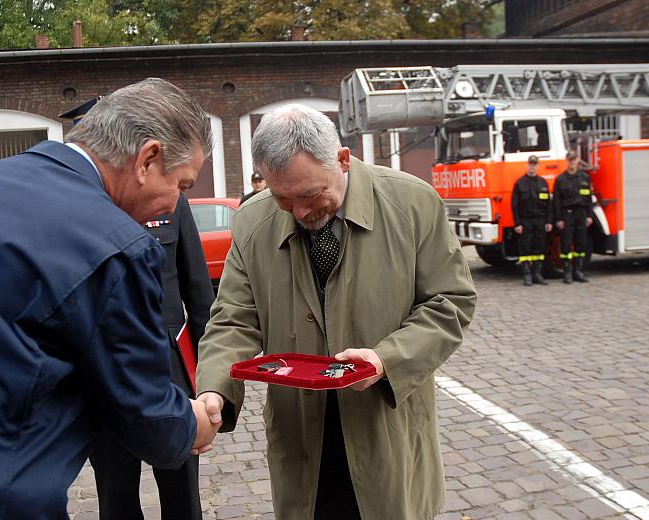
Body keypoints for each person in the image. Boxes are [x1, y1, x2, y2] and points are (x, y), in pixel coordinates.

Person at [0, 78, 221, 519]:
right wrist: (193, 423)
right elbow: (144, 411)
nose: (176, 202)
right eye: (182, 185)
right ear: (148, 159)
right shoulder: (114, 244)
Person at [195, 105, 477, 520]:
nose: (299, 212)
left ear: (343, 160)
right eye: (282, 198)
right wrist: (214, 390)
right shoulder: (253, 221)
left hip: (385, 423)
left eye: (309, 194)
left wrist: (385, 359)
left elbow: (449, 301)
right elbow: (233, 317)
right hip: (300, 436)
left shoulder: (413, 203)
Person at [90, 192, 214, 520]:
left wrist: (209, 380)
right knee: (115, 497)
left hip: (170, 376)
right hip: (105, 375)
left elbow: (199, 293)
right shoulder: (85, 198)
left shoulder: (173, 198)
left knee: (182, 495)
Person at [511, 155, 553, 286]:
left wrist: (549, 221)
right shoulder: (520, 183)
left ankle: (537, 274)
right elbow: (515, 205)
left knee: (539, 247)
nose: (532, 166)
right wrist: (517, 223)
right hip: (526, 221)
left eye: (534, 164)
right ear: (526, 165)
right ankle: (527, 275)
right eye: (530, 164)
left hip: (540, 220)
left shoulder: (543, 182)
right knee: (526, 248)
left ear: (538, 166)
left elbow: (549, 204)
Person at [554, 150, 594, 284]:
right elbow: (557, 201)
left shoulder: (585, 177)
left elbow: (589, 198)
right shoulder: (560, 179)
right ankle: (567, 272)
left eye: (574, 159)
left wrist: (589, 215)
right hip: (567, 214)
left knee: (581, 242)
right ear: (567, 161)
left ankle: (578, 271)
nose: (572, 162)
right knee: (566, 243)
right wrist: (558, 219)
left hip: (581, 213)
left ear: (577, 160)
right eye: (570, 159)